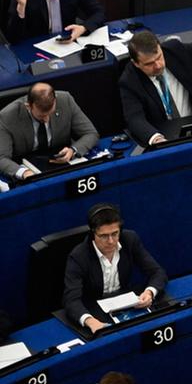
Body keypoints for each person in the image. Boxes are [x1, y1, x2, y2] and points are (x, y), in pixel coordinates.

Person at [119, 17, 192, 146]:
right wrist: (156, 139)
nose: (158, 65)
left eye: (159, 57)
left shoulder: (175, 50)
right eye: (149, 63)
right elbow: (134, 118)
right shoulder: (129, 80)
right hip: (164, 136)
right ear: (136, 63)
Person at [63, 204, 167, 334]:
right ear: (93, 234)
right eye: (104, 236)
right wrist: (90, 321)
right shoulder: (78, 256)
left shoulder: (130, 239)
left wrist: (149, 292)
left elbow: (157, 272)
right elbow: (71, 300)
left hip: (125, 305)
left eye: (115, 233)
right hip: (95, 311)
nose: (111, 241)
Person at [0, 83, 98, 179]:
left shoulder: (65, 100)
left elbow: (91, 133)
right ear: (28, 106)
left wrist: (73, 150)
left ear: (55, 101)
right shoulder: (6, 117)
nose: (46, 119)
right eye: (41, 116)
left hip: (60, 162)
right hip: (26, 165)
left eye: (50, 113)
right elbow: (1, 158)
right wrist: (24, 172)